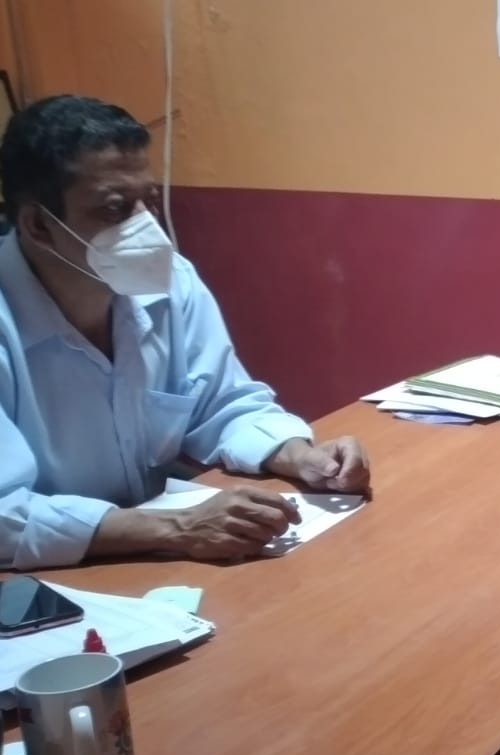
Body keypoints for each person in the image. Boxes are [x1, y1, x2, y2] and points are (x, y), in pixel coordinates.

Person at [0, 95, 370, 570]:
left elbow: (222, 404)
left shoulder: (170, 281)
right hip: (39, 583)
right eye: (115, 209)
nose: (146, 227)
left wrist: (300, 456)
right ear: (38, 226)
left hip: (152, 562)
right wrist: (176, 528)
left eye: (149, 202)